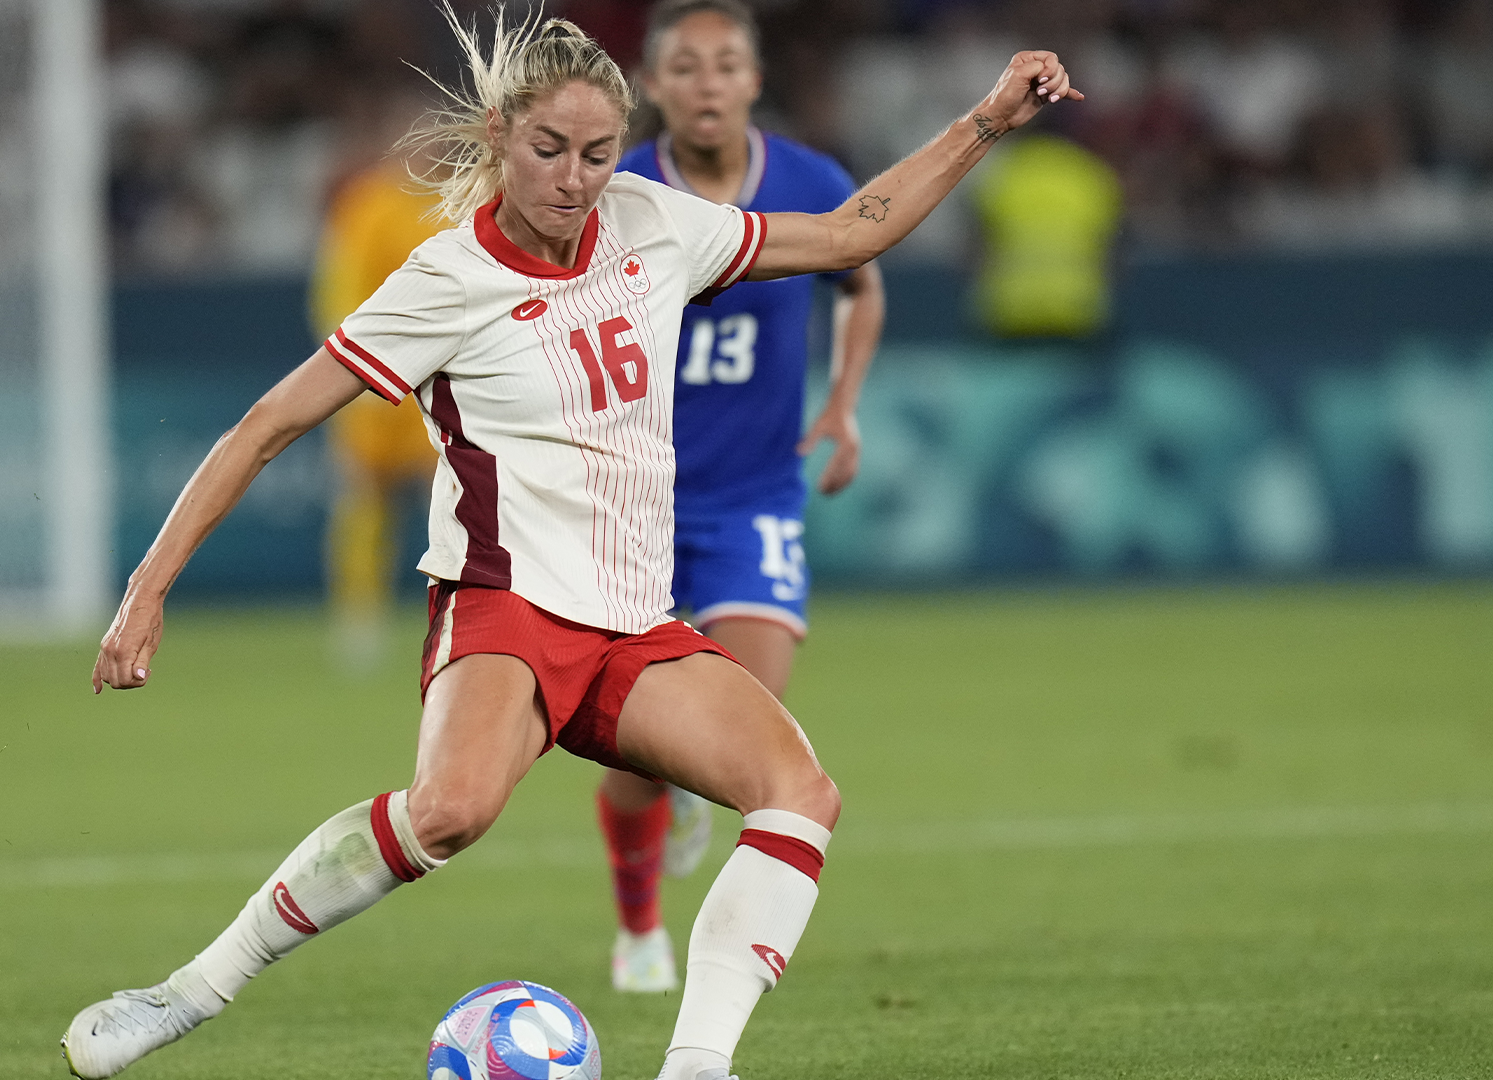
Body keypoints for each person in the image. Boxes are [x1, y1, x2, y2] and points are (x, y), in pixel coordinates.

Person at [62, 10, 1079, 1080]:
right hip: (507, 605)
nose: (577, 178)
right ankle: (187, 992)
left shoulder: (659, 222)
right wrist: (147, 591)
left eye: (598, 153)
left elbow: (852, 232)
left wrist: (986, 122)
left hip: (634, 625)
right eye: (551, 150)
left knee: (800, 792)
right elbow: (265, 426)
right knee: (449, 815)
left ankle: (697, 1065)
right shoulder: (444, 282)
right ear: (501, 134)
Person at [595, 0, 888, 993]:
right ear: (655, 84)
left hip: (756, 496)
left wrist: (843, 403)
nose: (707, 82)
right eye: (686, 66)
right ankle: (638, 928)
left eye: (726, 64)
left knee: (751, 727)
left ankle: (694, 836)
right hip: (633, 504)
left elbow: (861, 280)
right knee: (636, 752)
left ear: (754, 80)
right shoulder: (618, 191)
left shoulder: (810, 182)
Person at [309, 96, 446, 669]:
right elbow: (338, 289)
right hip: (375, 381)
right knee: (365, 499)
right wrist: (354, 367)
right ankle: (359, 620)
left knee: (455, 503)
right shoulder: (367, 203)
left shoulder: (463, 203)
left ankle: (463, 612)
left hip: (441, 385)